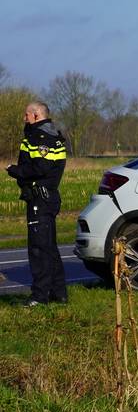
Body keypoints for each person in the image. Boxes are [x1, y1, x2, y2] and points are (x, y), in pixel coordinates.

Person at [6, 102, 68, 306]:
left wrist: (13, 170)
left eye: (26, 115)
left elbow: (40, 168)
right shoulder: (50, 136)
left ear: (35, 115)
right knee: (49, 246)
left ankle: (40, 296)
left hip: (40, 199)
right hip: (46, 198)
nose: (24, 118)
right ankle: (59, 293)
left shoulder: (42, 138)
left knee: (39, 249)